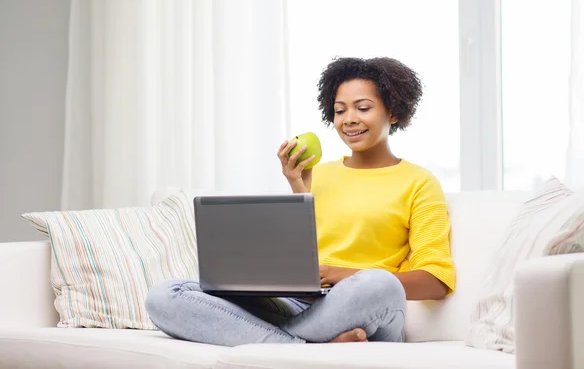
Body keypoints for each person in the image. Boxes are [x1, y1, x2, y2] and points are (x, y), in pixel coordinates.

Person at [145, 57, 455, 346]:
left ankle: (282, 344)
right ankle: (301, 347)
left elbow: (435, 282)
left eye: (362, 108)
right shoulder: (316, 175)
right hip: (299, 306)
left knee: (379, 285)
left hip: (362, 306)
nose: (349, 120)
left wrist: (343, 275)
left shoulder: (419, 182)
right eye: (340, 110)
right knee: (164, 295)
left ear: (394, 112)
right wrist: (297, 187)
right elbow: (299, 258)